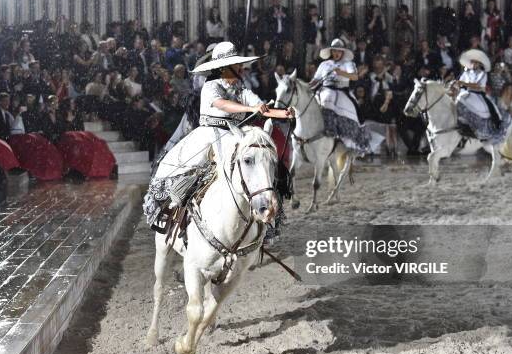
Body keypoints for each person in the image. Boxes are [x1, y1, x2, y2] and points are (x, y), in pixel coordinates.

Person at [144, 41, 294, 231]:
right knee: (193, 170)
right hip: (209, 135)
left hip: (235, 133)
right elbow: (223, 104)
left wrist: (282, 113)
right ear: (224, 68)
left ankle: (263, 209)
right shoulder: (211, 86)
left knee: (257, 162)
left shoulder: (239, 87)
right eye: (236, 66)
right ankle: (175, 214)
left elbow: (261, 106)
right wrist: (250, 108)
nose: (240, 69)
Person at [311, 39, 383, 155]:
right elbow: (315, 80)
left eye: (339, 51)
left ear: (343, 52)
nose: (336, 53)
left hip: (341, 90)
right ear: (331, 51)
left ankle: (344, 132)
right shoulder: (324, 64)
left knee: (354, 109)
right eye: (334, 51)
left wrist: (341, 73)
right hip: (324, 89)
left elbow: (355, 77)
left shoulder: (348, 64)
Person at [454, 49, 504, 135]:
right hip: (465, 93)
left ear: (479, 64)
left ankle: (496, 124)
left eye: (475, 62)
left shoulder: (482, 74)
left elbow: (477, 85)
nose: (473, 64)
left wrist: (463, 83)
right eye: (472, 62)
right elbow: (459, 83)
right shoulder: (466, 73)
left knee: (491, 106)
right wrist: (456, 86)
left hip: (479, 94)